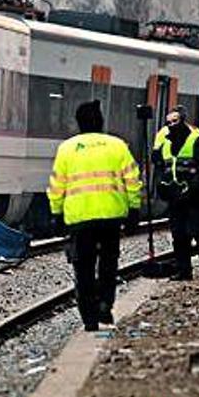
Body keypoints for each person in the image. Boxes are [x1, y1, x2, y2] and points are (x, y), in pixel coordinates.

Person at [47, 100, 142, 331]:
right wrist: (134, 210)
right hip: (111, 217)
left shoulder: (67, 149)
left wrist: (56, 213)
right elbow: (132, 180)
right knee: (109, 264)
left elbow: (57, 185)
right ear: (100, 122)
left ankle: (89, 319)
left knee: (84, 268)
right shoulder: (117, 146)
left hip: (80, 219)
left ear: (78, 123)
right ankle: (105, 305)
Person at [152, 105, 199, 280]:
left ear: (183, 120)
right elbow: (160, 165)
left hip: (196, 197)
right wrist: (162, 187)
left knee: (197, 232)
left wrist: (191, 189)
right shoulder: (164, 138)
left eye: (175, 121)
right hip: (175, 196)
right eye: (168, 122)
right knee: (178, 234)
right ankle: (184, 271)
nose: (171, 125)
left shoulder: (197, 139)